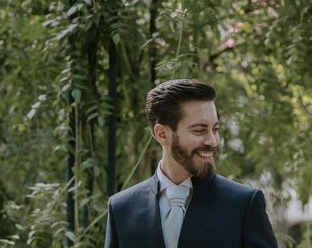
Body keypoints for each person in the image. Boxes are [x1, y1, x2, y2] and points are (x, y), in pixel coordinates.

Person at [104, 78, 278, 248]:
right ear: (162, 134)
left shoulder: (244, 205)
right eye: (199, 130)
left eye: (215, 129)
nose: (212, 141)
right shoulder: (121, 209)